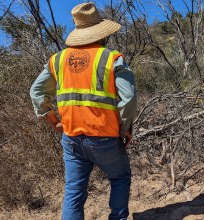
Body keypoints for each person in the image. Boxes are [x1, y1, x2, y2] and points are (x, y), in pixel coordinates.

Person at [29, 2, 137, 220]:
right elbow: (129, 98)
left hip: (71, 138)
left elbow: (36, 92)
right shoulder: (112, 58)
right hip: (105, 137)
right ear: (101, 32)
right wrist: (125, 128)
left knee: (74, 190)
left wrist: (53, 121)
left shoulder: (58, 59)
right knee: (120, 177)